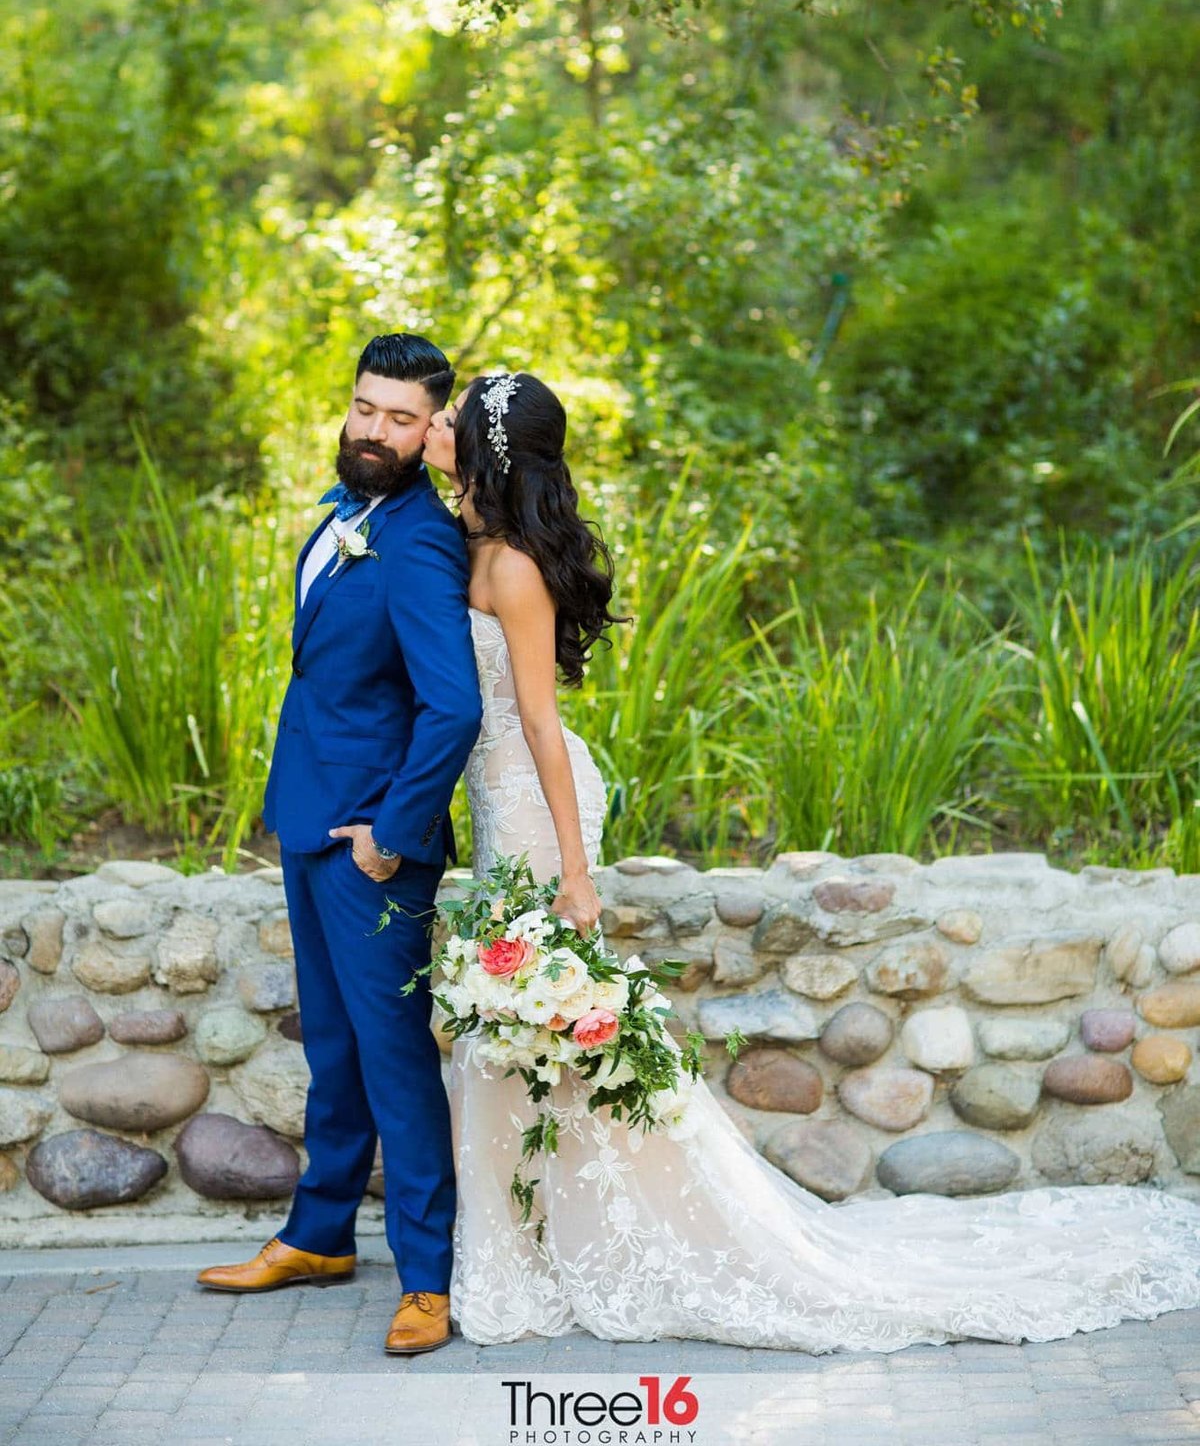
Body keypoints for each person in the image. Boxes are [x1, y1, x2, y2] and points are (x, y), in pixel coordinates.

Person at [423, 368, 1200, 1353]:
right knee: (532, 1027)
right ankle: (543, 1234)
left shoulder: (515, 570)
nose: (438, 426)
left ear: (489, 447)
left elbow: (538, 718)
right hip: (501, 799)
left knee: (531, 1018)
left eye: (454, 417)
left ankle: (557, 1245)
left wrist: (576, 871)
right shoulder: (471, 540)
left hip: (536, 806)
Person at [196, 333, 483, 1358]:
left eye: (401, 418)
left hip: (373, 844)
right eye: (366, 408)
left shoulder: (416, 538)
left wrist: (395, 834)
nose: (374, 429)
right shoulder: (344, 514)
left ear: (430, 432)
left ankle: (428, 1281)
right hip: (311, 819)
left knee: (397, 1061)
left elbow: (452, 707)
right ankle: (320, 1236)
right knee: (334, 1048)